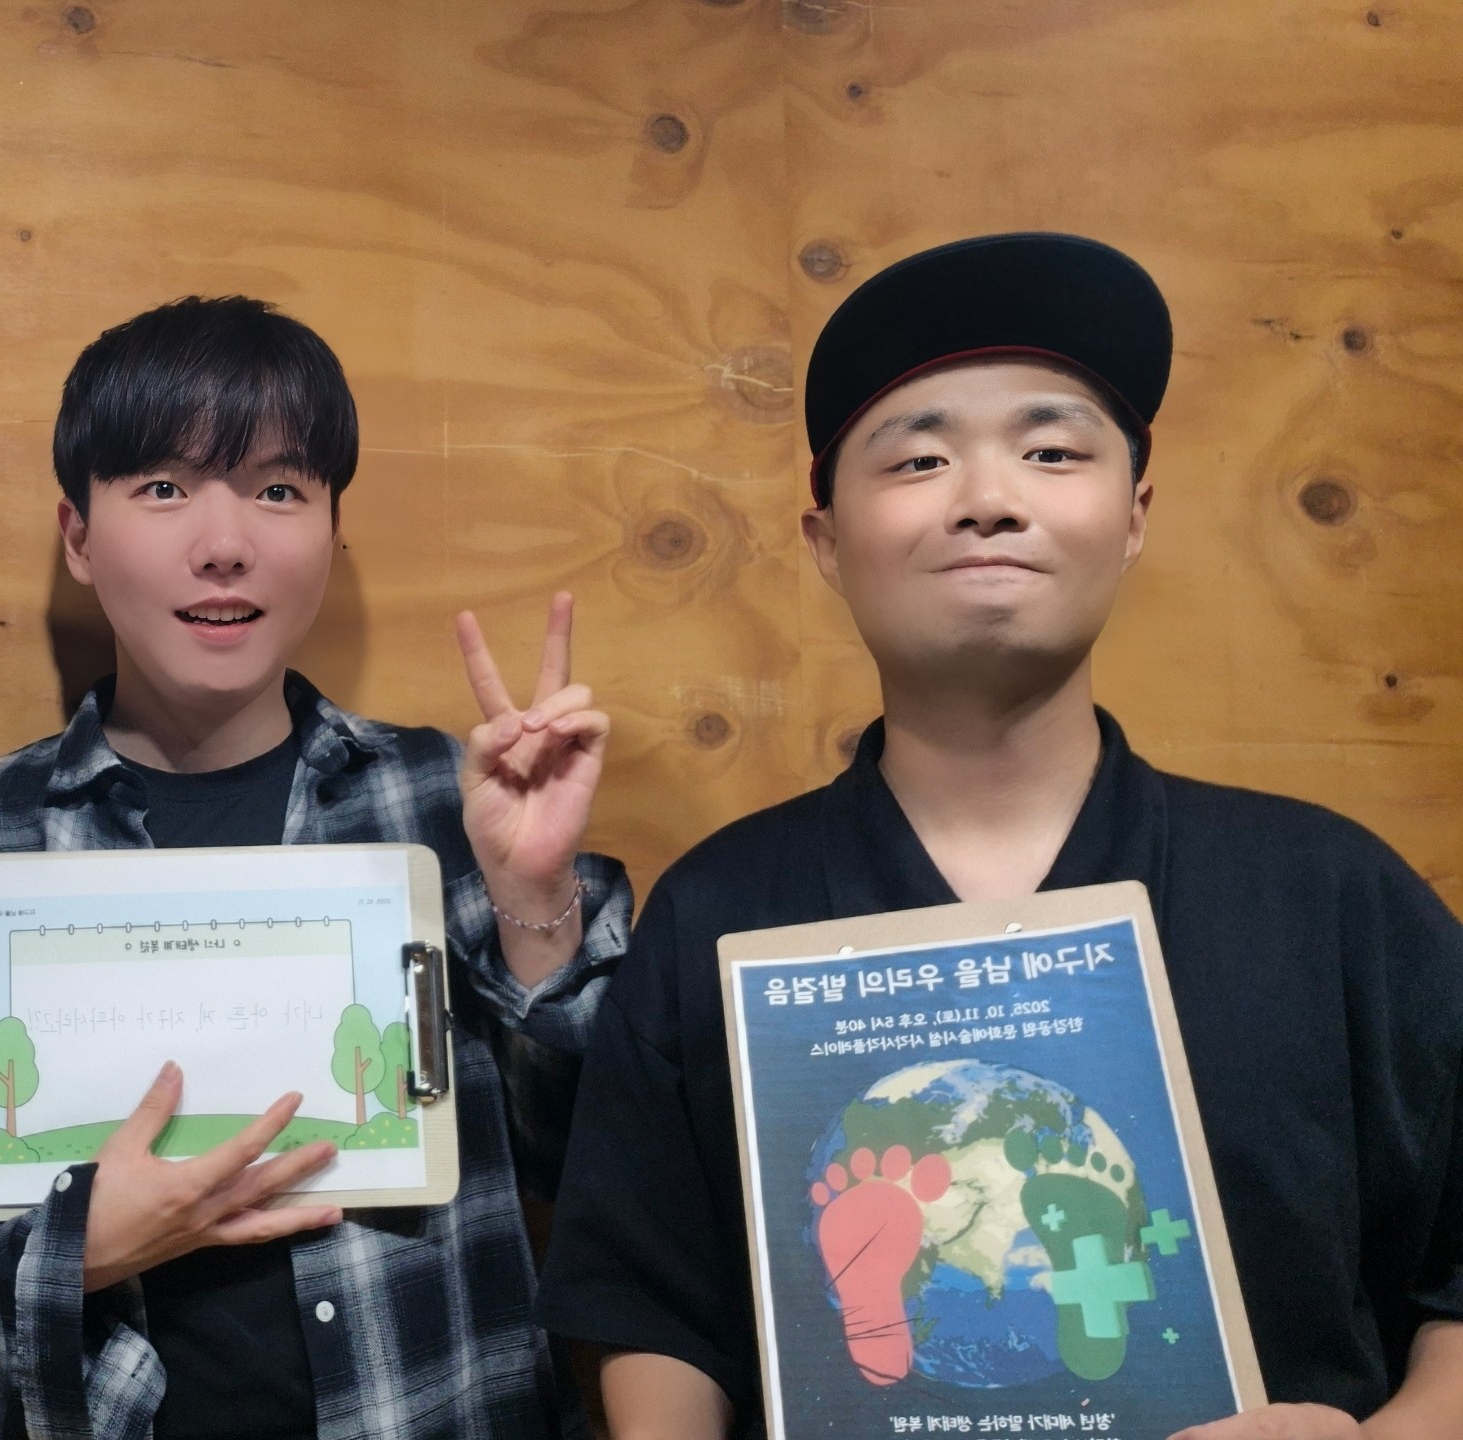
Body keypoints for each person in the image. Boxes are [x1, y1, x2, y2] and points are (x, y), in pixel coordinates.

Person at [534, 232, 1463, 1440]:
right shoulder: (721, 908)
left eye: (1050, 451)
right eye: (918, 459)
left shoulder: (1331, 895)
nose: (987, 498)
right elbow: (647, 1302)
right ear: (827, 542)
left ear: (1132, 516)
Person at [0, 295, 629, 1439]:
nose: (223, 544)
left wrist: (534, 898)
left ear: (332, 531)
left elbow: (603, 1177)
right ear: (77, 536)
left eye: (277, 490)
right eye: (162, 487)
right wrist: (75, 1256)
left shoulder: (452, 807)